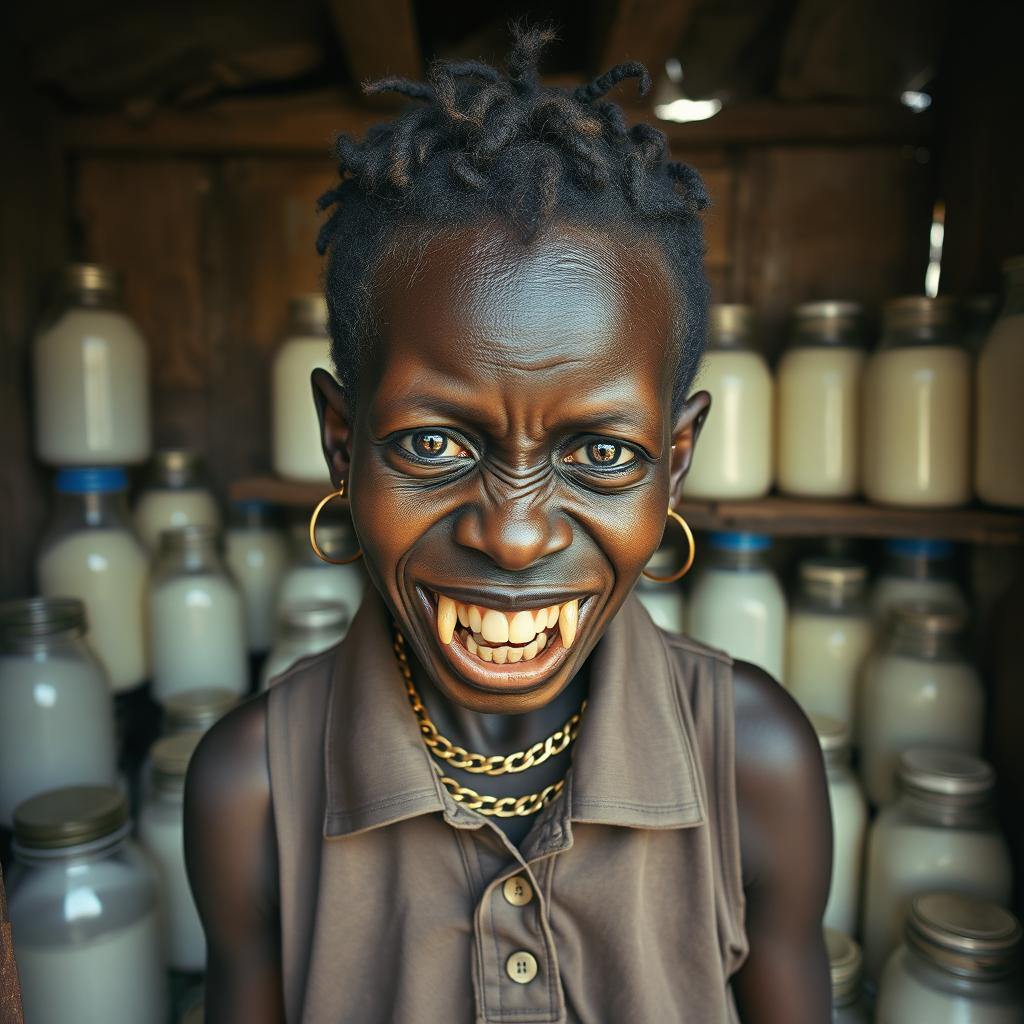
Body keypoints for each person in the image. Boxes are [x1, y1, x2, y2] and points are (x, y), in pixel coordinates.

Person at [185, 25, 831, 1023]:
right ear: (339, 442)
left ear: (676, 459)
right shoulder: (251, 791)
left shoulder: (755, 762)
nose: (517, 535)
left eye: (601, 454)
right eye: (436, 446)